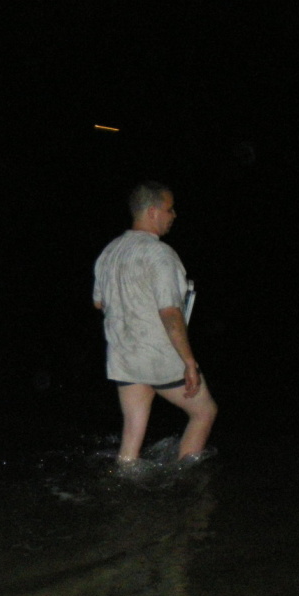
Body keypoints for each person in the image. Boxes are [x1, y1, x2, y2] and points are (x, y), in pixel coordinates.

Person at [93, 181, 218, 464]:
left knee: (130, 442)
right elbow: (170, 313)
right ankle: (187, 479)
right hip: (159, 356)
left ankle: (121, 495)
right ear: (152, 212)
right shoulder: (160, 254)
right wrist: (189, 363)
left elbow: (99, 302)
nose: (174, 215)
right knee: (204, 412)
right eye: (169, 209)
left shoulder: (110, 252)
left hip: (125, 357)